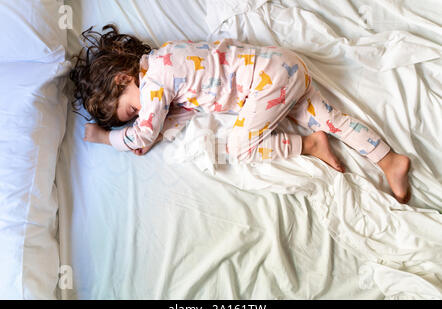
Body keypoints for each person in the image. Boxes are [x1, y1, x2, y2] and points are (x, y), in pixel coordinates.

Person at [70, 24, 411, 204]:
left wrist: (109, 137)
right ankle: (389, 159)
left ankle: (309, 146)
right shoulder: (167, 59)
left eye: (131, 108)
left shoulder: (155, 81)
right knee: (330, 117)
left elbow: (143, 130)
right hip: (284, 67)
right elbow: (187, 108)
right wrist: (159, 131)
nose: (141, 112)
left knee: (238, 147)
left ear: (124, 78)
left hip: (268, 82)